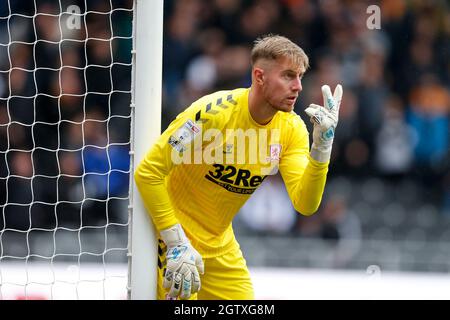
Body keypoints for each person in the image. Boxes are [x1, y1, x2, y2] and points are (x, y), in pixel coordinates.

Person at [134, 34, 343, 300]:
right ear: (259, 76)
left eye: (300, 76)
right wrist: (175, 241)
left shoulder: (292, 129)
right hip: (173, 241)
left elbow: (306, 204)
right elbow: (148, 173)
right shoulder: (211, 113)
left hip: (220, 245)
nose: (298, 86)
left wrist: (322, 149)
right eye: (288, 76)